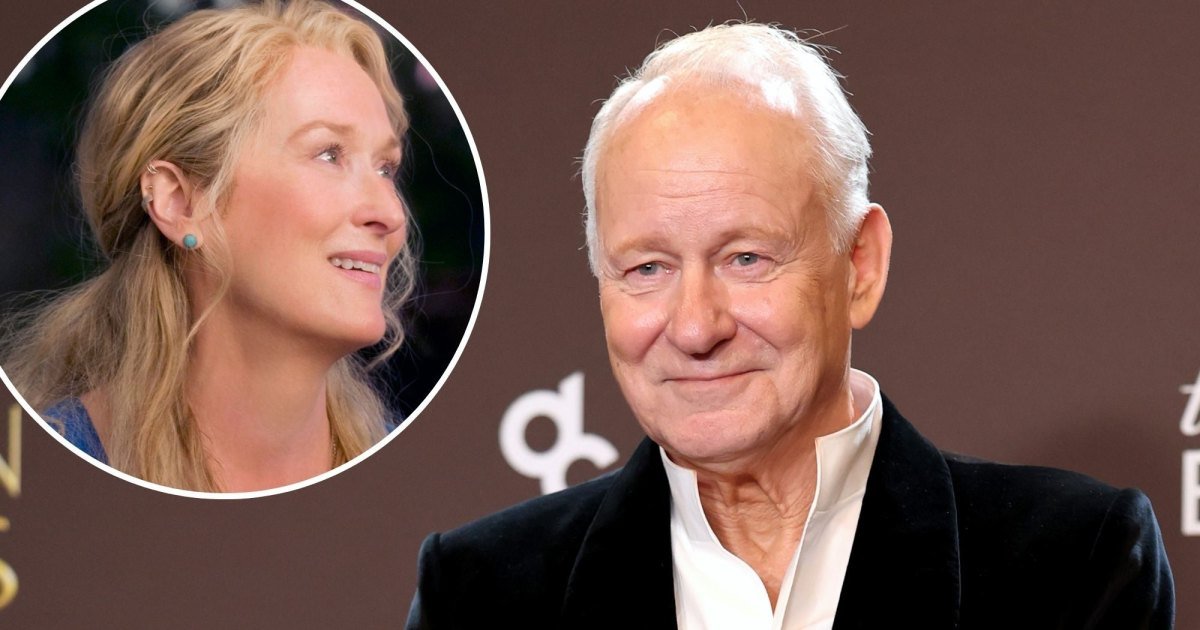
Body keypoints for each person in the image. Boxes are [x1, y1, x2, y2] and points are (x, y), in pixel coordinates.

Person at [407, 23, 1174, 628]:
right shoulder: (479, 595)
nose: (695, 326)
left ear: (860, 265)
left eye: (745, 258)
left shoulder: (1075, 562)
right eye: (647, 268)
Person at [0, 0, 415, 492]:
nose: (391, 215)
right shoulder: (37, 488)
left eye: (386, 168)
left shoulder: (418, 486)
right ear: (179, 202)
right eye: (329, 154)